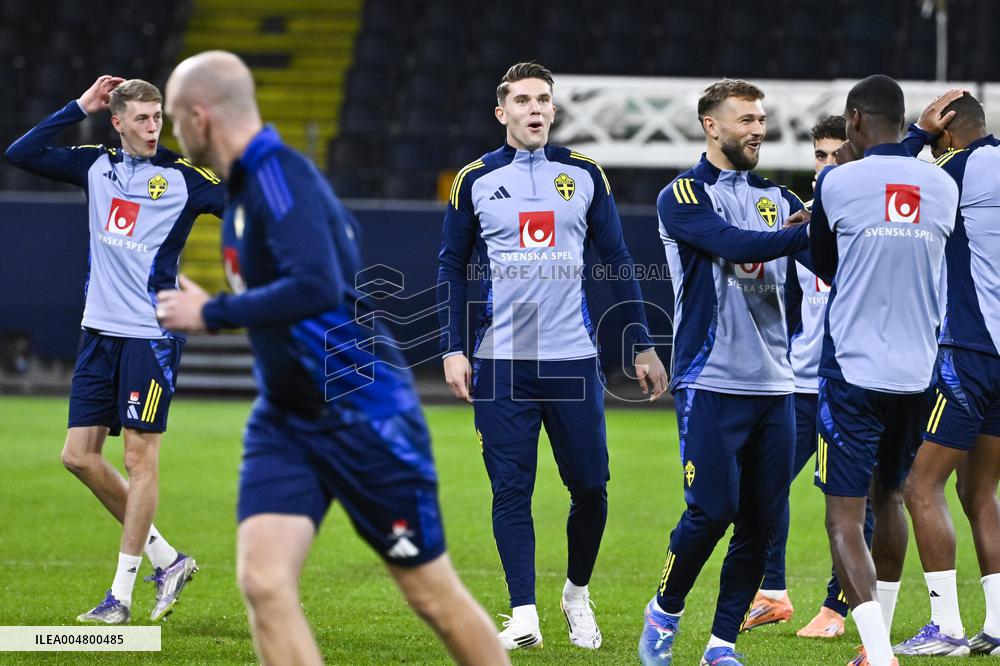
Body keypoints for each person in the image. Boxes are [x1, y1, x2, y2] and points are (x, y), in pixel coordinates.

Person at [156, 50, 508, 666]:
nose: (173, 134)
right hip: (287, 418)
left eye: (174, 119)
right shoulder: (251, 187)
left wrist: (211, 314)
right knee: (263, 583)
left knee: (431, 596)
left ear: (200, 116)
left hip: (361, 413)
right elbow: (342, 238)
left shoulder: (276, 177)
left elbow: (317, 285)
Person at [436, 61, 668, 651]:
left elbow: (617, 259)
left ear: (553, 110)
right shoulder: (474, 179)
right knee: (510, 489)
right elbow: (449, 267)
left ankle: (575, 594)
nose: (535, 109)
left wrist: (642, 343)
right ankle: (523, 614)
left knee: (590, 486)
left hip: (570, 360)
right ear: (502, 112)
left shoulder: (585, 174)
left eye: (544, 100)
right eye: (523, 100)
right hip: (502, 361)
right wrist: (453, 347)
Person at [5, 75, 223, 623]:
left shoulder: (185, 178)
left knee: (137, 459)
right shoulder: (93, 165)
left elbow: (251, 210)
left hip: (151, 338)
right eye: (143, 119)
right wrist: (76, 105)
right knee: (78, 456)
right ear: (117, 121)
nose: (153, 129)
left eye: (158, 119)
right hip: (97, 331)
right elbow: (20, 153)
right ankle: (168, 559)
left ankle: (120, 599)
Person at [636, 79, 811, 666]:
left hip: (776, 385)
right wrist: (808, 225)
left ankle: (720, 646)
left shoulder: (779, 199)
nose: (758, 129)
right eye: (746, 120)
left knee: (761, 524)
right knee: (711, 511)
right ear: (712, 126)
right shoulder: (682, 195)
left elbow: (824, 260)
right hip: (710, 380)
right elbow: (734, 244)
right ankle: (665, 607)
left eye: (762, 119)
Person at [807, 75, 958, 666]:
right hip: (919, 373)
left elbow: (824, 263)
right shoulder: (941, 185)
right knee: (891, 496)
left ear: (853, 120)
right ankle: (881, 644)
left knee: (844, 513)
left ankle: (877, 652)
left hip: (852, 370)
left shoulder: (837, 181)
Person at [745, 115, 875, 639]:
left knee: (850, 499)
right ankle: (772, 592)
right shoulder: (798, 224)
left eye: (836, 155)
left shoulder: (871, 222)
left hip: (849, 383)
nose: (825, 165)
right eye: (819, 155)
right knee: (762, 484)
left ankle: (837, 609)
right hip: (797, 383)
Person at [890, 91, 1000, 657]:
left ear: (950, 131)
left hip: (967, 351)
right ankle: (999, 625)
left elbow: (884, 184)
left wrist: (916, 133)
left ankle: (947, 627)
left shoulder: (948, 170)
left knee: (920, 485)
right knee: (980, 490)